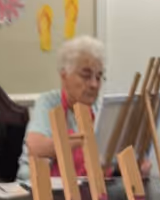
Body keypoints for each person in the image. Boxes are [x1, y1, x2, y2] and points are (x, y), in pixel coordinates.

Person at [17, 36, 105, 182]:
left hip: (85, 189)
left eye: (99, 76)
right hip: (37, 189)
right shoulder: (49, 102)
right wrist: (85, 139)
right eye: (86, 75)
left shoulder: (99, 107)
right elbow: (36, 147)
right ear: (64, 76)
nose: (94, 84)